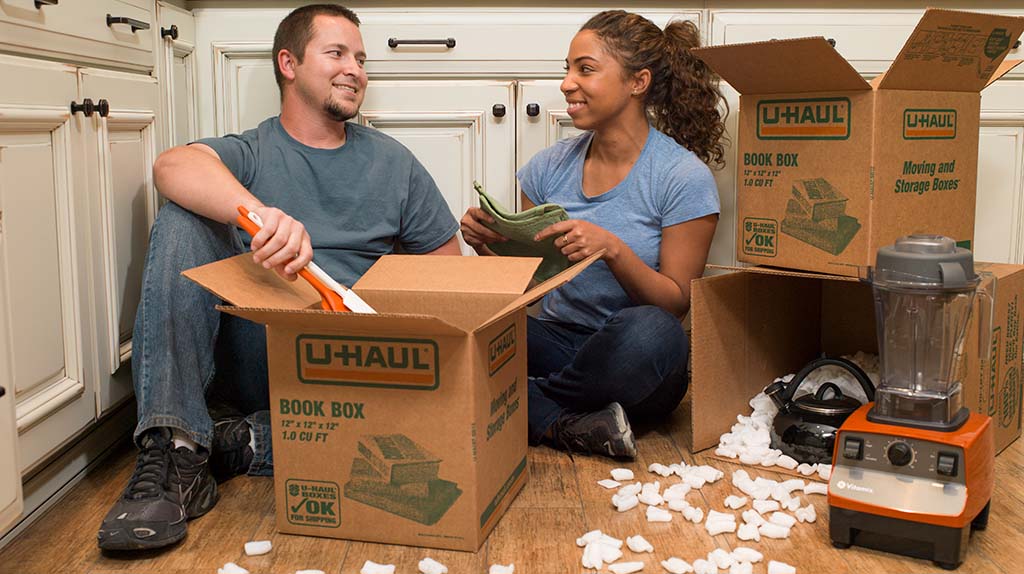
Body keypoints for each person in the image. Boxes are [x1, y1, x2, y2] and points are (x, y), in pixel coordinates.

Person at [97, 4, 460, 551]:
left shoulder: (394, 164)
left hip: (350, 369)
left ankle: (228, 445)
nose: (356, 69)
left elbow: (450, 279)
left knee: (420, 439)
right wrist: (258, 215)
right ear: (288, 63)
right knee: (181, 215)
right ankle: (171, 447)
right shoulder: (253, 151)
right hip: (257, 349)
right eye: (337, 53)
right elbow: (172, 166)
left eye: (361, 59)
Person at [460, 10, 726, 460]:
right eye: (566, 68)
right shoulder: (547, 168)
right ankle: (569, 424)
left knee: (656, 334)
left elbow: (676, 302)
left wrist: (612, 249)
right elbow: (534, 286)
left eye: (584, 69)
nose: (566, 82)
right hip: (556, 338)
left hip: (633, 359)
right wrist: (490, 249)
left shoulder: (681, 176)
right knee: (469, 327)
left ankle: (524, 399)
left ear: (637, 82)